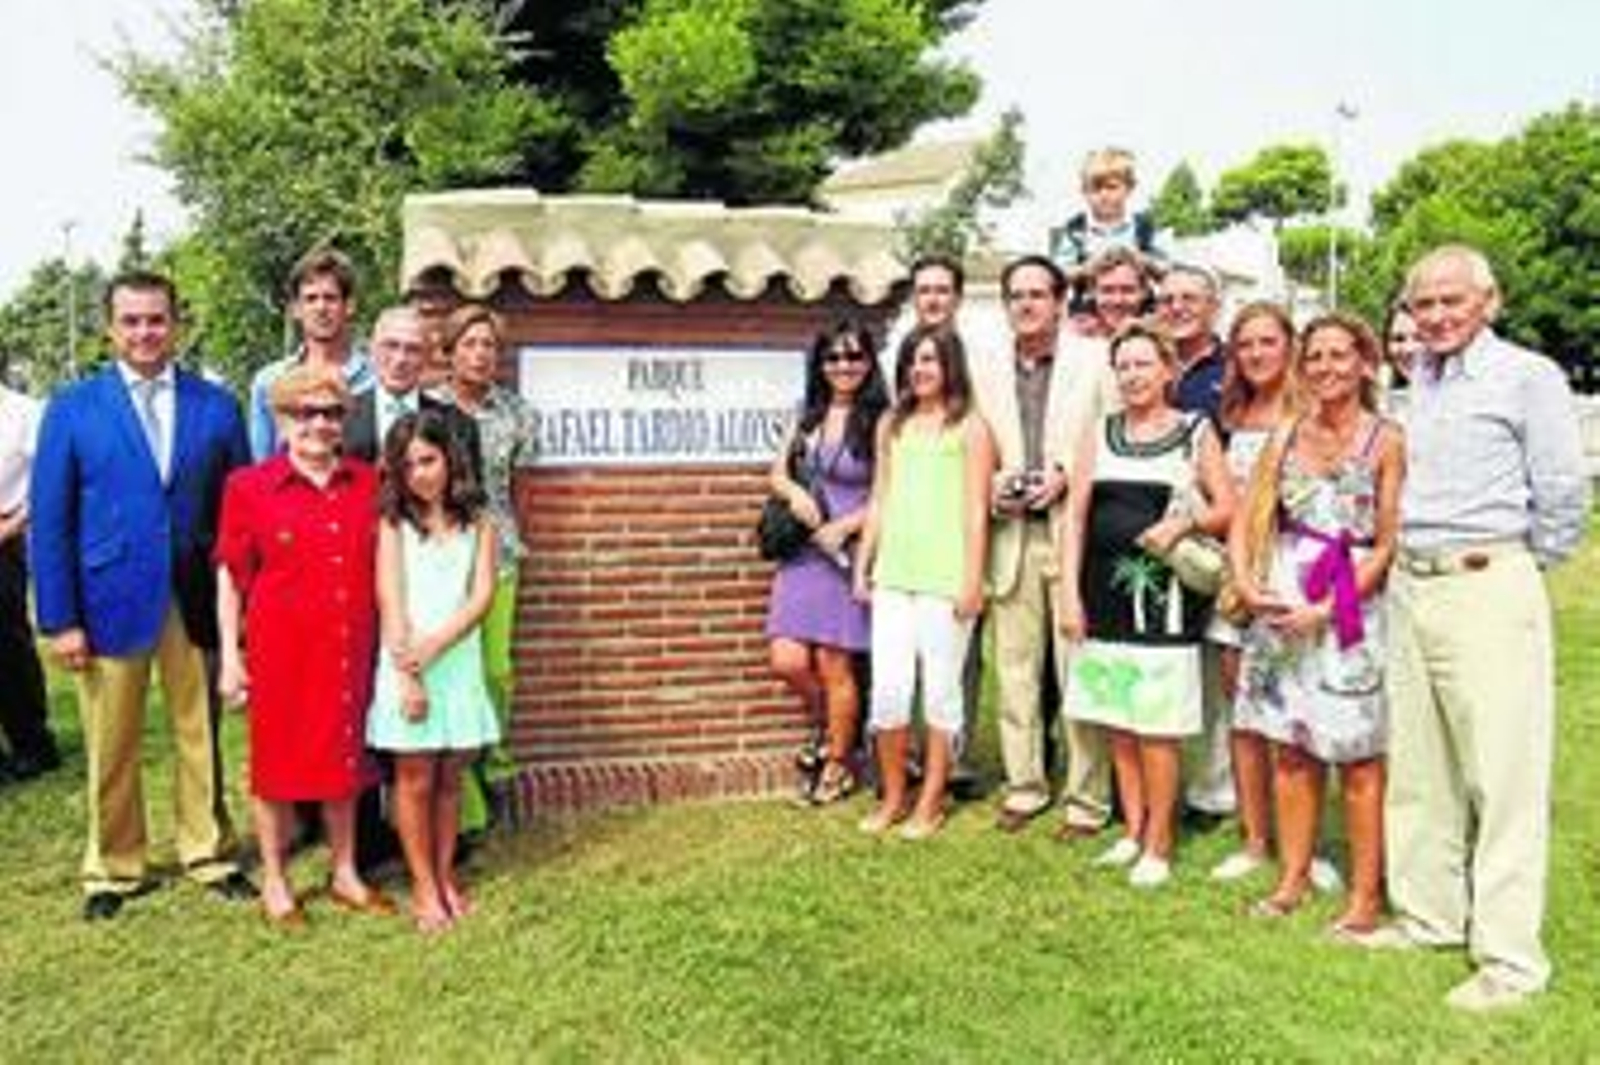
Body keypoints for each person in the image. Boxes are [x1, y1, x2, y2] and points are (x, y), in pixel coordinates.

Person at [1367, 245, 1590, 1012]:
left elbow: (1562, 492)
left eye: (1449, 302)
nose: (1434, 316)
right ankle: (1429, 915)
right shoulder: (1418, 381)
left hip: (1486, 582)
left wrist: (1509, 565)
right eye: (1422, 303)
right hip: (1412, 584)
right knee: (1421, 768)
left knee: (1502, 776)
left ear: (1488, 301)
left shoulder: (1527, 376)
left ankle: (1509, 960)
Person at [30, 270, 255, 920]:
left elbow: (237, 512)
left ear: (175, 323)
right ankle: (113, 866)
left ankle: (208, 850)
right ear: (110, 328)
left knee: (199, 731)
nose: (144, 332)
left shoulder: (217, 405)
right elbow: (51, 518)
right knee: (112, 737)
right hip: (107, 599)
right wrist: (61, 617)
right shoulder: (72, 408)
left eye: (156, 319)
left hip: (194, 593)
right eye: (131, 320)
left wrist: (241, 605)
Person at [1230, 313, 1403, 934]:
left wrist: (1329, 609)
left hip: (1349, 605)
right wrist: (1250, 586)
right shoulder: (1283, 436)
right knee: (1290, 748)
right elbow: (1249, 518)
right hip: (1281, 601)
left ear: (1364, 363)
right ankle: (1293, 877)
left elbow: (1385, 543)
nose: (1327, 367)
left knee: (1358, 758)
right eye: (1316, 357)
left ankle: (1364, 897)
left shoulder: (1387, 439)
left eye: (1340, 355)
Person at [215, 365, 395, 927]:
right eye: (306, 412)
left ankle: (345, 872)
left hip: (350, 646)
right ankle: (275, 879)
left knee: (345, 759)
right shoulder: (248, 487)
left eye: (332, 412)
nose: (320, 423)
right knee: (276, 766)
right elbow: (229, 574)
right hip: (281, 652)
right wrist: (229, 655)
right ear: (281, 418)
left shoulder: (369, 483)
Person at [1059, 322, 1234, 888]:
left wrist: (1182, 522)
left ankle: (1160, 842)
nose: (1133, 375)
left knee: (1156, 726)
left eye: (1143, 364)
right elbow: (1078, 517)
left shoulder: (1194, 430)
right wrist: (1068, 591)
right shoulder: (1101, 431)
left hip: (1165, 606)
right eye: (1124, 366)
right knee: (1119, 722)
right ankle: (1133, 830)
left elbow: (1228, 507)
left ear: (1167, 371)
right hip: (1101, 596)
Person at [974, 255, 1115, 838]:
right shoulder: (984, 368)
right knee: (1015, 672)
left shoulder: (1095, 361)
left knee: (1079, 669)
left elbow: (1114, 436)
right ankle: (1025, 786)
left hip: (1072, 530)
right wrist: (992, 489)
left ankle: (1087, 798)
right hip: (1011, 535)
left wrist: (1065, 472)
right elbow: (971, 450)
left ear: (1060, 301)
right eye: (1016, 295)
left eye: (1038, 293)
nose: (1027, 304)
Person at [853, 325, 993, 839]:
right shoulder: (893, 423)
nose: (920, 369)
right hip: (895, 574)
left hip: (946, 577)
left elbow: (977, 510)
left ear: (950, 365)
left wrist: (972, 580)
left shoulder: (971, 428)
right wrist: (864, 564)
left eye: (930, 360)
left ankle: (930, 801)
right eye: (913, 360)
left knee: (940, 693)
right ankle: (893, 796)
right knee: (888, 692)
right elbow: (880, 498)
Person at [369, 410, 501, 933]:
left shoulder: (480, 522)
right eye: (409, 466)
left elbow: (483, 595)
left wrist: (439, 645)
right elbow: (391, 599)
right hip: (409, 663)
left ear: (450, 459)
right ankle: (422, 885)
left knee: (450, 778)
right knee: (416, 778)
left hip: (456, 660)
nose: (421, 473)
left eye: (429, 460)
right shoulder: (394, 525)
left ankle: (446, 875)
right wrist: (411, 671)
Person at [765, 321, 888, 804]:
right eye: (833, 358)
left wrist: (846, 525)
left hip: (846, 554)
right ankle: (838, 728)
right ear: (820, 365)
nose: (844, 366)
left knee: (836, 665)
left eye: (854, 357)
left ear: (869, 363)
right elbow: (776, 472)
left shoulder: (880, 419)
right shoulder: (807, 414)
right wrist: (794, 492)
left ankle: (837, 764)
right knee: (788, 660)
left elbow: (887, 493)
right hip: (802, 554)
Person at [431, 304, 537, 827]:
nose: (480, 354)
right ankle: (464, 790)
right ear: (449, 352)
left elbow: (521, 488)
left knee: (495, 669)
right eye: (469, 343)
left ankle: (492, 761)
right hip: (439, 556)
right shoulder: (428, 410)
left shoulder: (515, 412)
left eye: (489, 345)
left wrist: (512, 537)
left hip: (498, 556)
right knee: (454, 670)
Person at [1205, 303, 1296, 883]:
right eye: (1246, 345)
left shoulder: (1309, 412)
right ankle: (1255, 836)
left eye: (1268, 342)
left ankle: (1297, 841)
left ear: (1289, 345)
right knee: (1241, 707)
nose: (1257, 354)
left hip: (1288, 572)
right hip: (1236, 573)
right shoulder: (1234, 413)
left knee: (1292, 711)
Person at [1156, 263, 1234, 825]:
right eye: (1169, 298)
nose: (1178, 307)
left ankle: (1215, 788)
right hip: (1151, 529)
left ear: (1214, 306)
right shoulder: (1147, 360)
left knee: (1216, 661)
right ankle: (1153, 777)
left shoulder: (1231, 370)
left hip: (1215, 529)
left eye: (1191, 298)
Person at [247, 246, 375, 459]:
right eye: (311, 298)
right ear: (296, 309)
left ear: (349, 306)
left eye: (330, 298)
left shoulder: (376, 378)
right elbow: (261, 465)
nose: (321, 308)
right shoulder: (268, 381)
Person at [0, 379, 60, 782]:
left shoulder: (25, 412)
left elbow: (48, 480)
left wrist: (13, 525)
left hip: (5, 537)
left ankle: (32, 743)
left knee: (7, 646)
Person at [344, 305, 481, 471]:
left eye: (413, 349)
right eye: (391, 345)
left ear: (427, 357)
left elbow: (467, 494)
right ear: (372, 349)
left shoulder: (459, 426)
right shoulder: (339, 417)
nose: (400, 359)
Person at [1048, 147, 1168, 316]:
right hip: (1089, 310)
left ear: (1129, 188)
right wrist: (1086, 268)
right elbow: (1058, 275)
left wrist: (1143, 261)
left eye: (1112, 187)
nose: (1104, 195)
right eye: (1096, 189)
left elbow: (1167, 272)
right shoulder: (1075, 229)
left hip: (1139, 310)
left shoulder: (1145, 228)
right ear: (1084, 191)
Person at [1072, 247, 1157, 340]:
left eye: (1127, 290)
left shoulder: (1161, 339)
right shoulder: (1075, 337)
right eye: (1107, 290)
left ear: (1144, 292)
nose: (1118, 301)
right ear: (1093, 292)